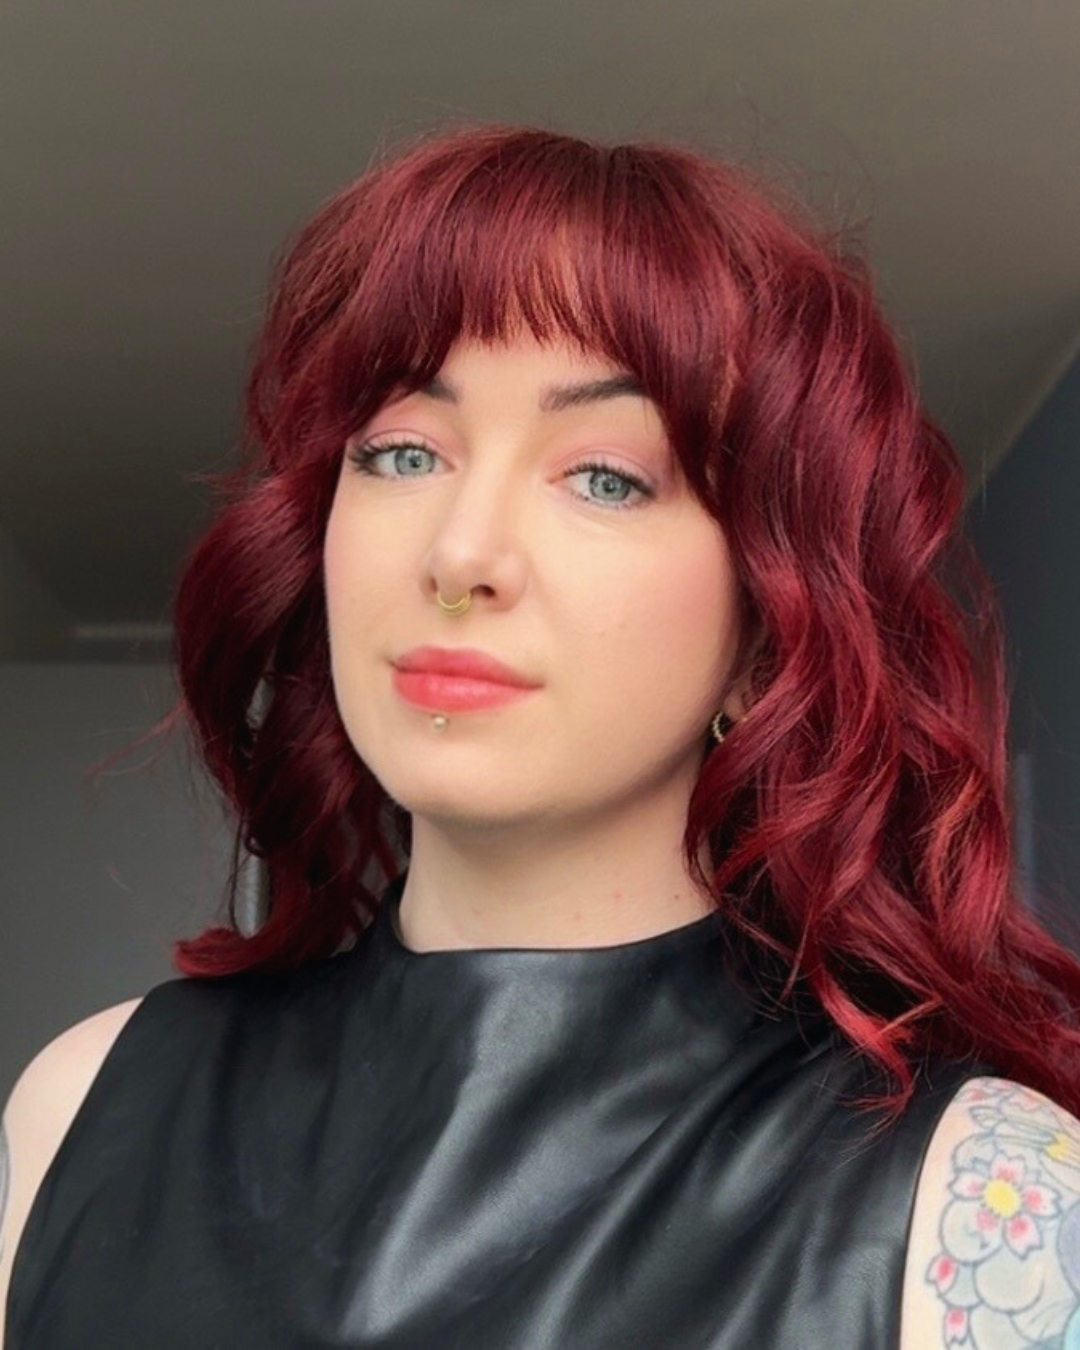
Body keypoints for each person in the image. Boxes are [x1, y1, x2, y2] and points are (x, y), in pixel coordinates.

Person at [3, 121, 1080, 1349]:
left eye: (605, 477)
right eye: (403, 451)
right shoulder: (83, 1106)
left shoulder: (979, 1199)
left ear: (768, 623)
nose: (459, 554)